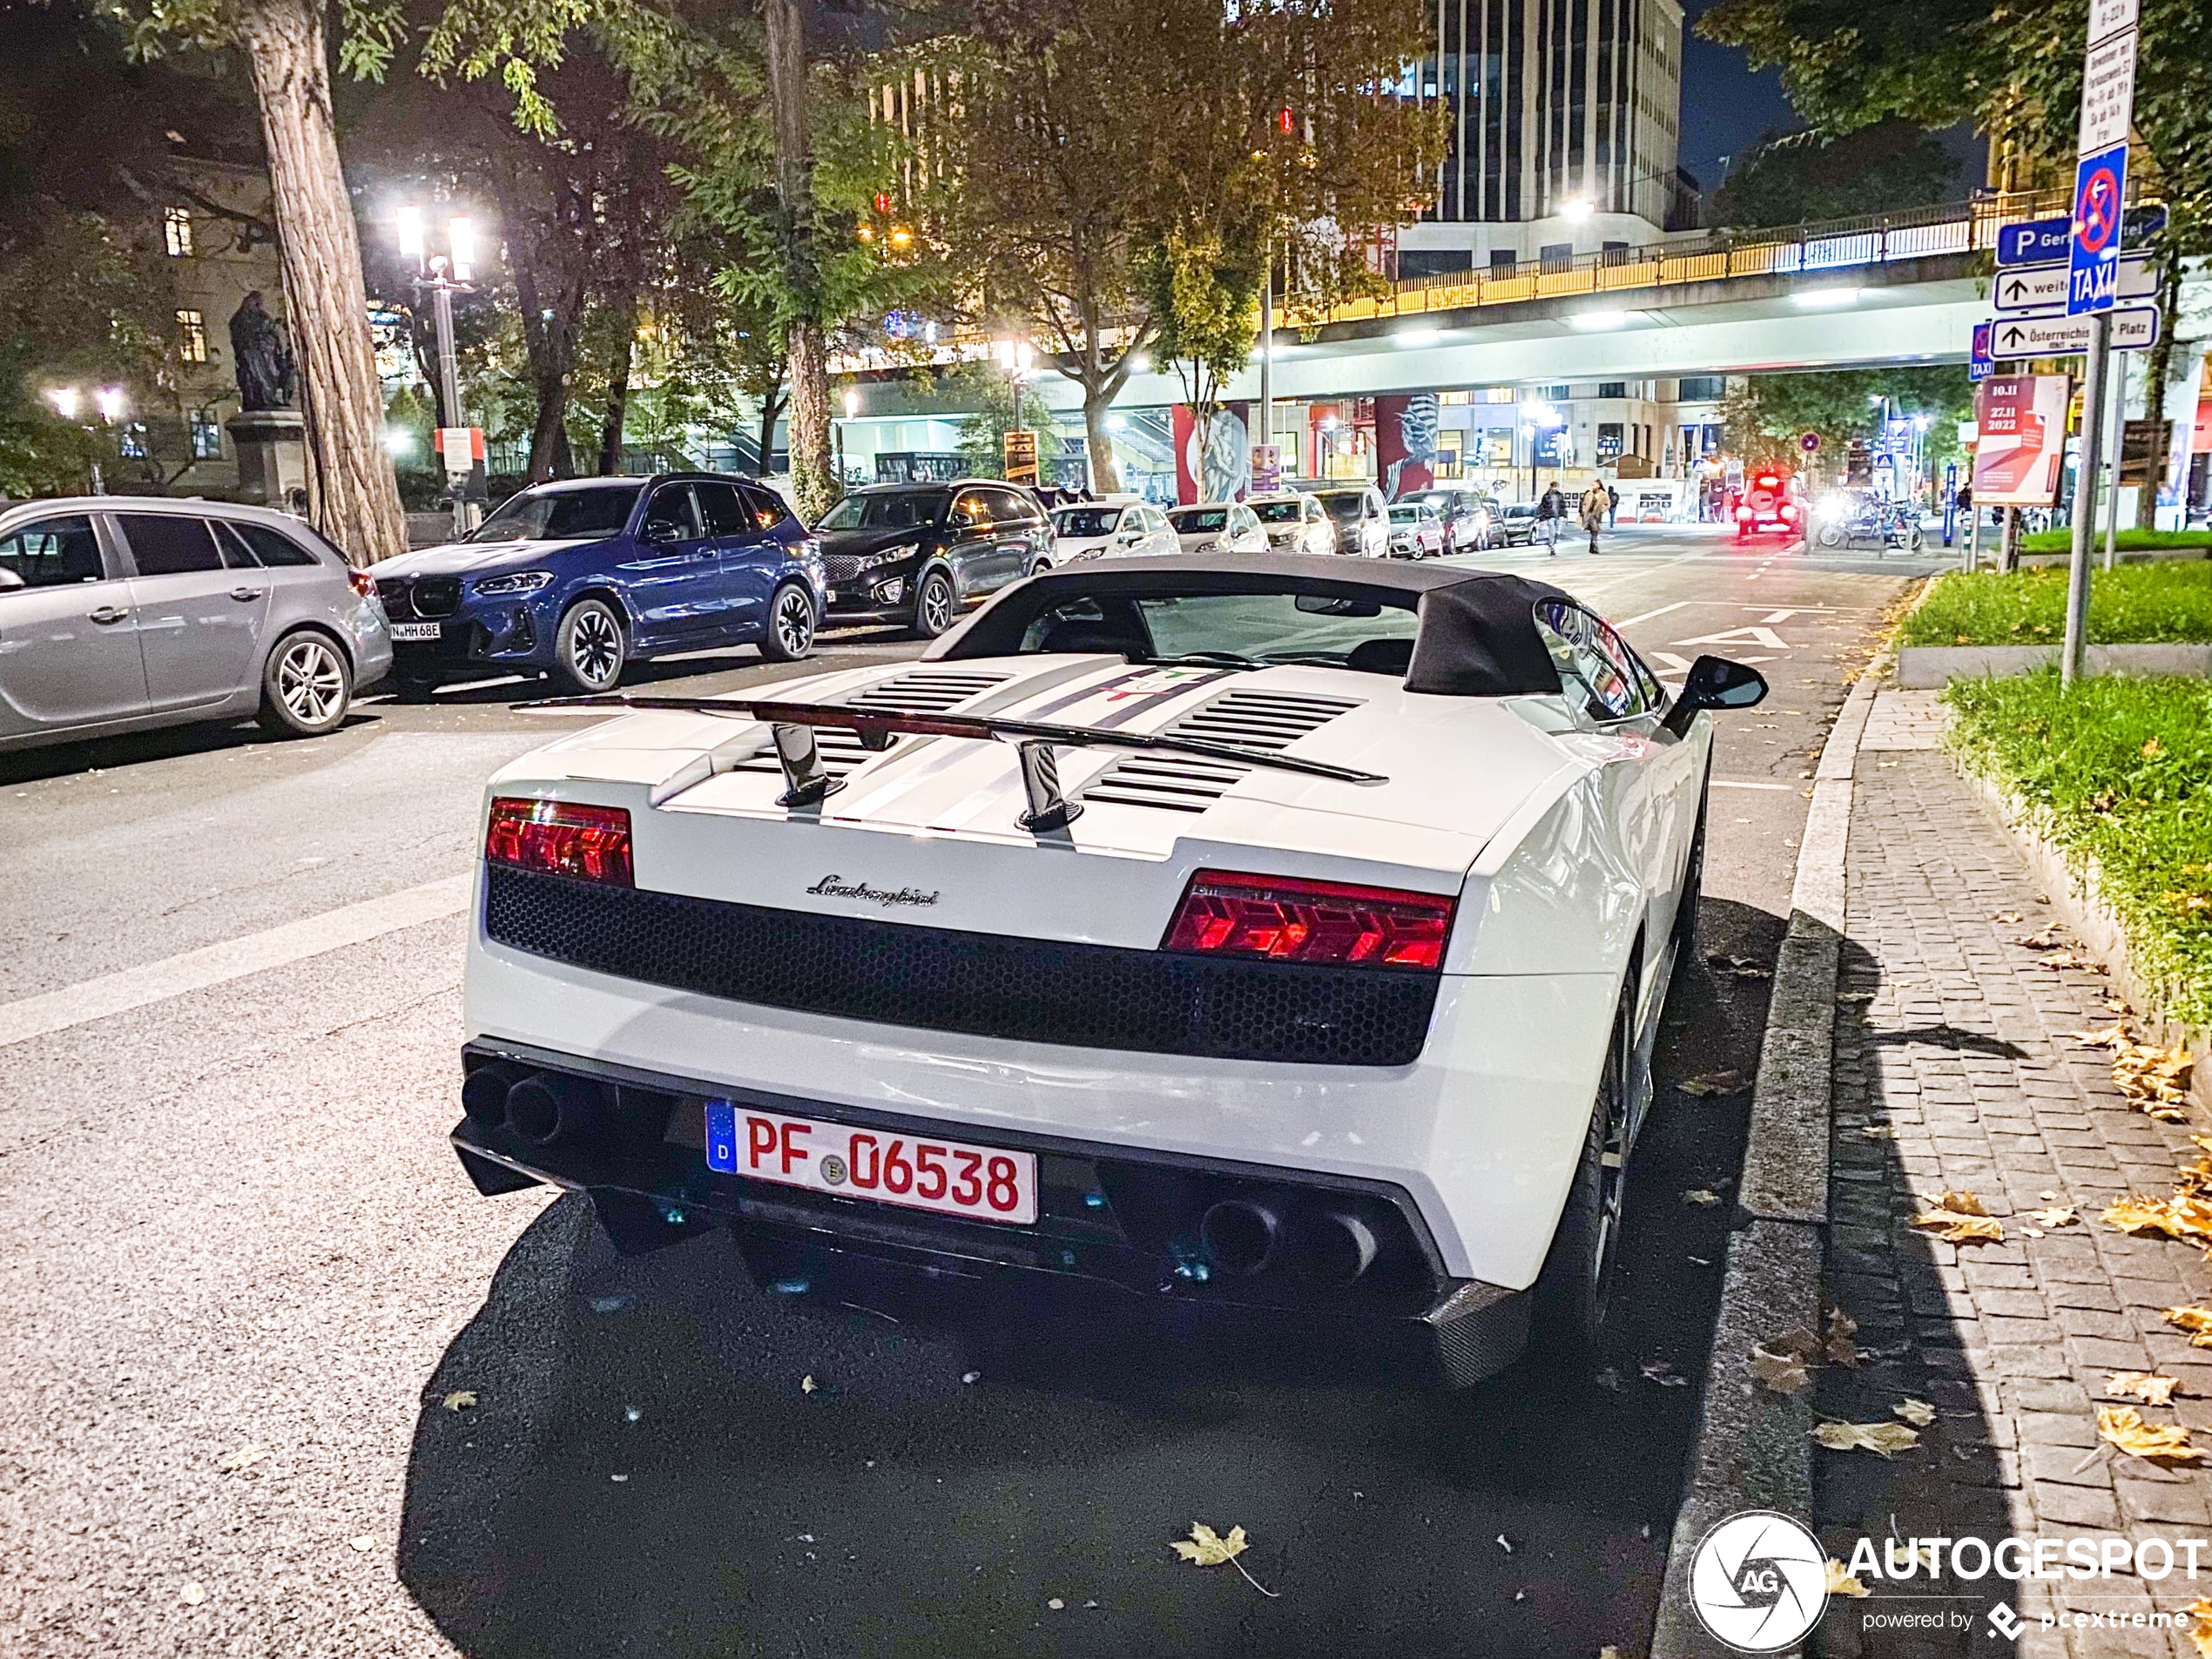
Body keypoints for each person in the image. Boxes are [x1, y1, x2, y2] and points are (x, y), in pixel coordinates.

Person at [1581, 479, 1609, 556]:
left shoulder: (1603, 494)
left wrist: (1602, 509)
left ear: (1599, 486)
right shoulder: (1589, 494)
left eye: (1594, 485)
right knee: (1593, 530)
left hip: (1597, 514)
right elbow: (1584, 503)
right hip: (1589, 514)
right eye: (1592, 485)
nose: (1592, 487)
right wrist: (1583, 512)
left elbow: (1607, 504)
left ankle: (1594, 545)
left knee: (1595, 530)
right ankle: (1593, 545)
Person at [1535, 483, 1564, 553]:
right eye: (1554, 487)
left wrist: (1564, 515)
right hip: (1550, 516)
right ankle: (1552, 547)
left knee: (1557, 532)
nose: (1555, 488)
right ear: (1551, 487)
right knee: (1552, 532)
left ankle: (1552, 543)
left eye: (1556, 487)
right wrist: (1543, 515)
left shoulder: (1559, 495)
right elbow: (1543, 506)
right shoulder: (1546, 496)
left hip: (1558, 516)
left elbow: (1562, 505)